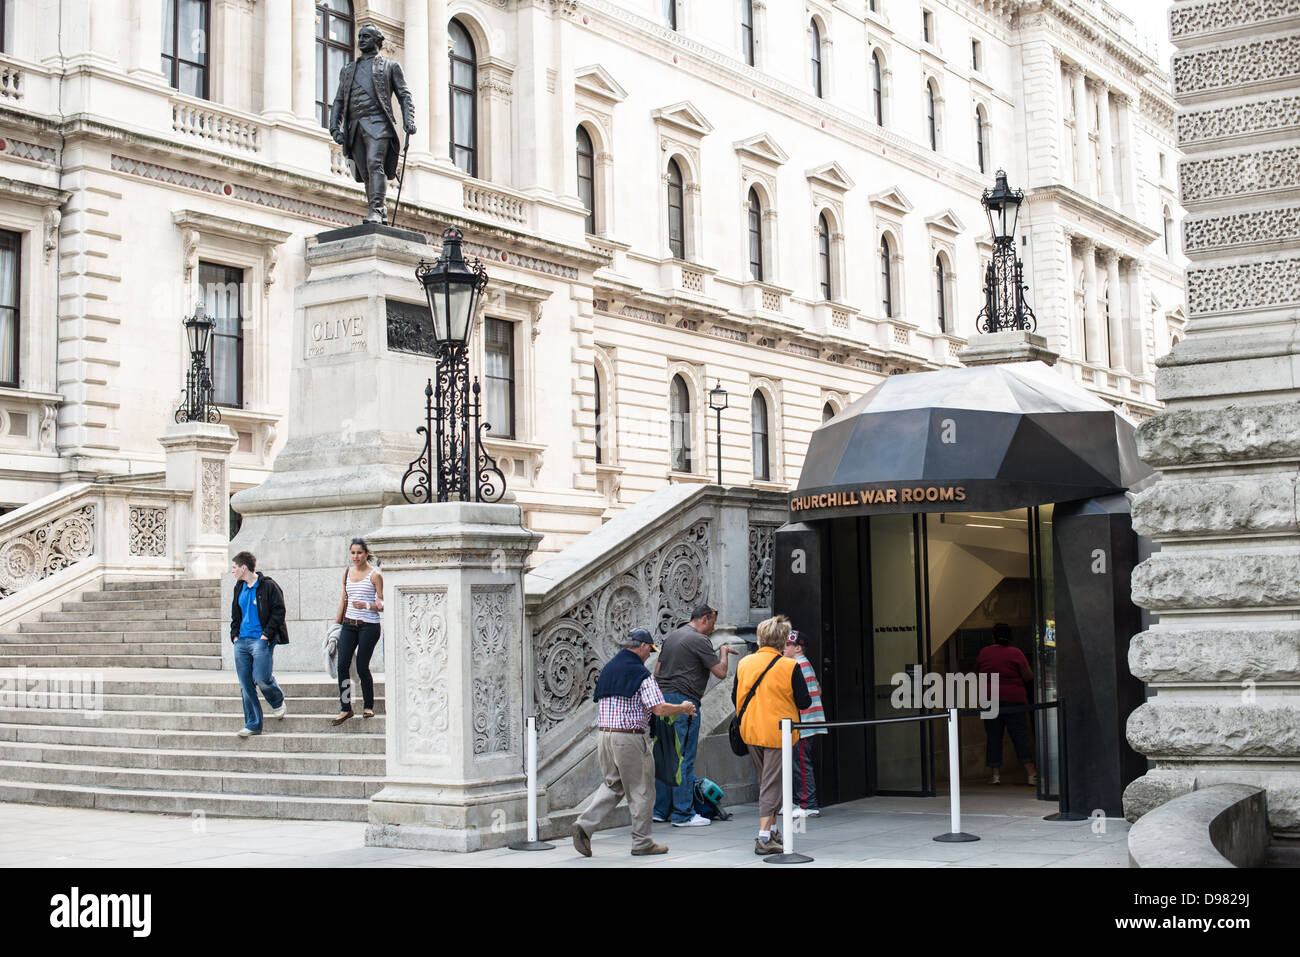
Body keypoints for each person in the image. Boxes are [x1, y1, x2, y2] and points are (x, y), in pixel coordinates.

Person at [572, 628, 698, 858]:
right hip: (629, 738)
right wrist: (683, 708)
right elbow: (658, 708)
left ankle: (584, 824)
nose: (649, 655)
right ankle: (642, 842)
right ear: (641, 646)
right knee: (642, 790)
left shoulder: (609, 668)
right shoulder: (641, 674)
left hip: (605, 736)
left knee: (613, 785)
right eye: (649, 651)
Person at [734, 615, 811, 855]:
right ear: (781, 640)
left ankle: (773, 830)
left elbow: (734, 695)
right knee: (772, 786)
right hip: (778, 732)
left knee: (767, 782)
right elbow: (804, 701)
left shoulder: (745, 663)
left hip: (750, 730)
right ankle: (764, 837)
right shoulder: (789, 666)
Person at [652, 603, 734, 827]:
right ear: (705, 618)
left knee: (666, 756)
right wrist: (723, 653)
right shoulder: (699, 640)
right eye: (713, 623)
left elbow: (657, 672)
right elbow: (721, 672)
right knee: (684, 759)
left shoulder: (672, 638)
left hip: (662, 701)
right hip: (684, 702)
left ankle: (660, 810)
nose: (713, 629)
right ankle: (683, 814)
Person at [328, 23, 416, 224]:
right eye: (360, 36)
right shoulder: (348, 70)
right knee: (365, 172)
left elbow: (404, 95)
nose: (361, 40)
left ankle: (376, 209)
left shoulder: (390, 67)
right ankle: (378, 210)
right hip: (355, 126)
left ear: (378, 41)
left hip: (379, 124)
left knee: (374, 164)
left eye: (366, 36)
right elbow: (339, 100)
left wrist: (409, 120)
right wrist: (334, 127)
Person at [228, 551, 288, 738]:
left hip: (260, 640)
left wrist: (266, 635)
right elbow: (235, 614)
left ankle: (277, 700)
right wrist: (234, 635)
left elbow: (279, 611)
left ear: (243, 568)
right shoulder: (239, 587)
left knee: (261, 677)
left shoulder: (268, 586)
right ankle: (253, 724)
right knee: (246, 684)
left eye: (234, 567)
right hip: (242, 641)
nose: (232, 571)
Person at [975, 622, 1038, 786]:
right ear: (1010, 637)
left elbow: (977, 673)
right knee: (1020, 735)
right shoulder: (1015, 653)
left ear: (993, 636)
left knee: (993, 736)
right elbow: (1028, 676)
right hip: (1014, 699)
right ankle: (1031, 774)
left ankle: (995, 775)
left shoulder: (984, 652)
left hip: (989, 698)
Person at [332, 538, 384, 726]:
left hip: (369, 625)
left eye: (359, 553)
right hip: (349, 624)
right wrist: (336, 625)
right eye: (353, 553)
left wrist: (368, 605)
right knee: (342, 665)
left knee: (362, 666)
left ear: (366, 553)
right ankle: (345, 708)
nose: (356, 556)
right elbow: (344, 599)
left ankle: (368, 705)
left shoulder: (375, 575)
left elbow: (383, 603)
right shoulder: (347, 573)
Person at [783, 630, 825, 816]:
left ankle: (808, 804)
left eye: (787, 645)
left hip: (803, 724)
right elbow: (818, 689)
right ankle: (801, 801)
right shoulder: (805, 665)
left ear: (797, 647)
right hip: (808, 722)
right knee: (798, 763)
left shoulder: (797, 666)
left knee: (800, 763)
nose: (783, 648)